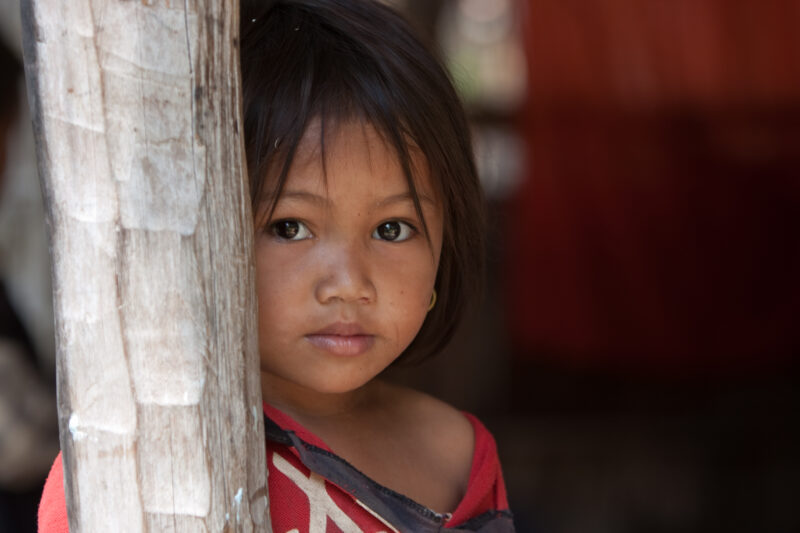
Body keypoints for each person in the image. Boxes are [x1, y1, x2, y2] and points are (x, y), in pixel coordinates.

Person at [37, 0, 513, 531]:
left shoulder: (457, 454)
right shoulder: (131, 468)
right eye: (290, 227)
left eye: (391, 229)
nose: (348, 285)